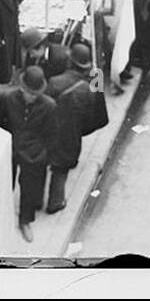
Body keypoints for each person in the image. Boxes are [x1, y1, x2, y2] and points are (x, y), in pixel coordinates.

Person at [0, 65, 58, 242]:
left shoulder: (49, 106)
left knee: (29, 190)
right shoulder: (7, 98)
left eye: (36, 94)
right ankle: (1, 217)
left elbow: (52, 135)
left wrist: (43, 155)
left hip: (34, 154)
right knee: (5, 185)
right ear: (22, 88)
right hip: (10, 150)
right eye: (30, 93)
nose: (33, 97)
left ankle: (25, 221)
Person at [45, 42, 108, 213]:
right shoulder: (95, 81)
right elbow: (95, 112)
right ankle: (55, 201)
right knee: (61, 169)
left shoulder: (54, 82)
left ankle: (40, 200)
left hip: (50, 130)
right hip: (71, 133)